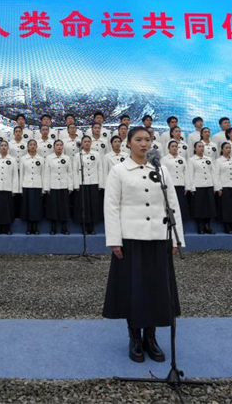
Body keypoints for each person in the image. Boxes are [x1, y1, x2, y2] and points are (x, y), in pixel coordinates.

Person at [103, 126, 185, 364]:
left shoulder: (161, 169)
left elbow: (173, 204)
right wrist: (114, 240)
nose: (143, 144)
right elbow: (112, 207)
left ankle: (151, 337)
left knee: (157, 288)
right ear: (128, 143)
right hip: (131, 239)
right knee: (134, 289)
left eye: (147, 140)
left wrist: (176, 238)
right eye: (138, 139)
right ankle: (135, 337)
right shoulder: (119, 171)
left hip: (159, 237)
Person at [73, 136, 105, 235]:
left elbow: (100, 169)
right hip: (82, 183)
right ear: (82, 143)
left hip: (94, 182)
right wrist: (76, 184)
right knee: (83, 205)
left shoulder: (96, 154)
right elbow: (75, 171)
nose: (86, 143)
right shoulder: (78, 155)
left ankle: (92, 226)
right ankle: (84, 227)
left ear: (91, 143)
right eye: (85, 142)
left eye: (88, 141)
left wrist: (101, 183)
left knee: (93, 205)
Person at [44, 140, 74, 235]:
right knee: (53, 207)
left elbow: (70, 173)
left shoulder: (67, 158)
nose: (59, 147)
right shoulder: (49, 158)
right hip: (53, 185)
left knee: (64, 207)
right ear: (54, 147)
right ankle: (53, 227)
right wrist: (46, 187)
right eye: (57, 145)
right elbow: (46, 173)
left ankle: (64, 227)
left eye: (61, 145)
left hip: (64, 185)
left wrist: (70, 186)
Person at [188, 142, 217, 234]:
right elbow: (190, 174)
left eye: (202, 146)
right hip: (198, 185)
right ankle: (200, 226)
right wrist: (192, 187)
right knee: (199, 207)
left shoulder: (209, 159)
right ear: (195, 148)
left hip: (209, 185)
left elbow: (213, 173)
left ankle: (207, 226)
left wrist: (216, 187)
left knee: (209, 207)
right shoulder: (191, 160)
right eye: (199, 146)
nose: (201, 148)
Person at [19, 140, 46, 235]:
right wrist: (20, 188)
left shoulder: (41, 159)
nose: (32, 146)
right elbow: (21, 173)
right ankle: (29, 227)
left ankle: (35, 227)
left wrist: (43, 188)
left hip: (38, 185)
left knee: (36, 207)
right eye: (30, 145)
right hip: (27, 185)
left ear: (37, 146)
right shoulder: (23, 159)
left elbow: (43, 174)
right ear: (27, 146)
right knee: (28, 207)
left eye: (34, 145)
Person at [161, 140, 192, 222]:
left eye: (176, 146)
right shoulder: (164, 159)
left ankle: (180, 224)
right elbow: (163, 173)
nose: (174, 148)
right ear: (168, 148)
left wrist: (187, 186)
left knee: (181, 205)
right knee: (171, 205)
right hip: (170, 186)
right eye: (172, 146)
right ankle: (170, 222)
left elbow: (186, 172)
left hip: (181, 185)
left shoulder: (182, 159)